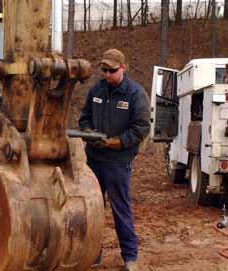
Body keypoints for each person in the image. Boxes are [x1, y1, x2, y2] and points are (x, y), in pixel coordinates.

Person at [79, 49, 150, 271]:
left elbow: (141, 128)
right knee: (93, 209)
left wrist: (116, 142)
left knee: (121, 209)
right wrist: (88, 132)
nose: (107, 74)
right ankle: (93, 253)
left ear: (123, 68)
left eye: (112, 70)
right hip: (94, 160)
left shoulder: (135, 94)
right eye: (104, 70)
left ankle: (130, 256)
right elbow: (84, 118)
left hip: (118, 162)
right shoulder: (96, 91)